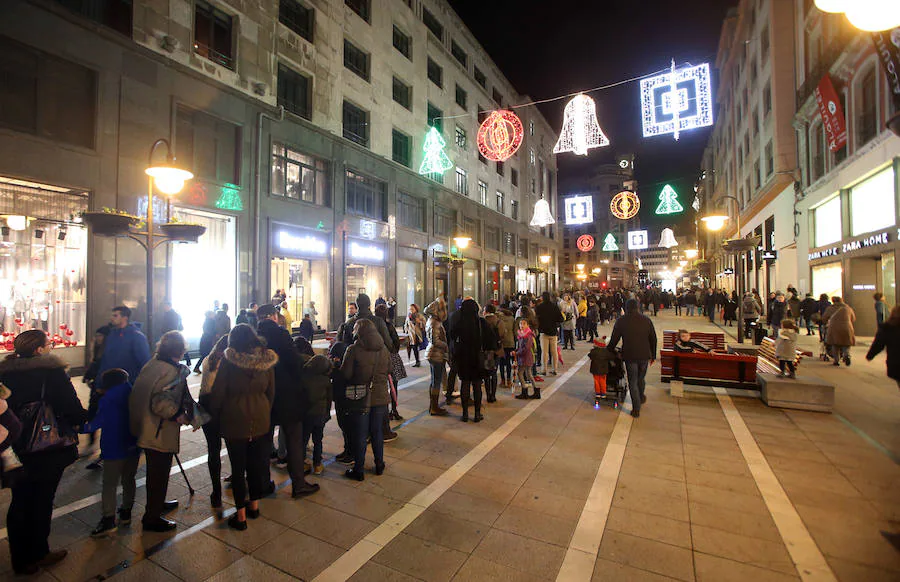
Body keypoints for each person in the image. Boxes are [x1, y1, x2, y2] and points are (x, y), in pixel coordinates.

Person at [1, 330, 86, 575]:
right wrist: (85, 419)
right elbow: (71, 407)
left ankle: (20, 559)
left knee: (20, 502)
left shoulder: (5, 374)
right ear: (39, 349)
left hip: (15, 450)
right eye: (48, 344)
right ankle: (39, 552)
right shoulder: (51, 373)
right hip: (46, 448)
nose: (50, 348)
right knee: (41, 501)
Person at [208, 324, 277, 531]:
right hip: (260, 419)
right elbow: (271, 393)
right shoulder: (267, 361)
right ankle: (254, 506)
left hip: (234, 420)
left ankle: (241, 516)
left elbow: (218, 393)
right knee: (255, 465)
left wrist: (215, 414)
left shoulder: (229, 362)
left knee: (238, 470)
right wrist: (263, 410)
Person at [129, 331, 191, 532]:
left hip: (144, 425)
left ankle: (157, 504)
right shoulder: (171, 372)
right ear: (180, 351)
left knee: (155, 472)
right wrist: (178, 415)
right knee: (159, 473)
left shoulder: (153, 363)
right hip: (158, 429)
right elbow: (161, 403)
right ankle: (152, 516)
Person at [256, 303, 319, 498]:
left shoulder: (254, 337)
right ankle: (298, 484)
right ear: (273, 316)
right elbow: (293, 362)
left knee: (264, 442)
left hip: (264, 396)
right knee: (293, 440)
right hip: (287, 395)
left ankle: (263, 484)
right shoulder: (281, 335)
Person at [83, 368, 140, 537]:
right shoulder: (134, 393)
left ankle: (108, 519)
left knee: (109, 484)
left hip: (113, 447)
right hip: (133, 445)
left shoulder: (108, 399)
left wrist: (81, 428)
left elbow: (97, 422)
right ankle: (126, 513)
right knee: (129, 479)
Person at [340, 318, 391, 481]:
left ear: (359, 331)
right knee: (377, 432)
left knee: (360, 434)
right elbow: (389, 369)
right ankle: (379, 464)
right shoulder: (384, 349)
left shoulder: (353, 349)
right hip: (381, 396)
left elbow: (346, 375)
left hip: (360, 396)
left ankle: (359, 470)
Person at [607, 299, 656, 418]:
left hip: (630, 355)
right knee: (641, 378)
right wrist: (653, 355)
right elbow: (653, 339)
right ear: (638, 307)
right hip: (644, 355)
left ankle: (636, 408)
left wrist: (609, 349)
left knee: (633, 381)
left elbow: (614, 339)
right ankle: (641, 396)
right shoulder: (646, 320)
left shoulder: (621, 321)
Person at [199, 335, 228, 508]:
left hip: (205, 408)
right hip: (221, 407)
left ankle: (216, 491)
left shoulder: (206, 361)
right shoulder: (226, 363)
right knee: (232, 446)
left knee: (213, 449)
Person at [98, 306, 151, 392]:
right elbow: (105, 360)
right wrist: (99, 382)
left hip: (128, 384)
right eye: (112, 315)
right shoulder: (111, 335)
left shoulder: (137, 336)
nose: (111, 318)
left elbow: (144, 361)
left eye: (115, 316)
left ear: (125, 318)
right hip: (110, 384)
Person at [301, 353, 333, 475]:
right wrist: (327, 413)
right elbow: (329, 399)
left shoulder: (304, 378)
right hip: (320, 415)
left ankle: (302, 463)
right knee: (318, 440)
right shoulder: (326, 381)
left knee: (303, 440)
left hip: (306, 415)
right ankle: (318, 465)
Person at [423, 299, 449, 416]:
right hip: (436, 354)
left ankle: (433, 406)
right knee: (436, 381)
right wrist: (446, 346)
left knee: (435, 380)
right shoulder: (434, 322)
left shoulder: (432, 320)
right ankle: (434, 407)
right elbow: (435, 341)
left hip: (434, 353)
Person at [866, 305, 900, 389]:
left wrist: (870, 355)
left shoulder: (888, 327)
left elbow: (879, 343)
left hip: (896, 363)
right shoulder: (887, 327)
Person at [535, 291, 563, 376]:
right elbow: (560, 319)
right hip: (553, 332)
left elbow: (536, 319)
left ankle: (544, 370)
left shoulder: (539, 307)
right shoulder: (554, 307)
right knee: (554, 352)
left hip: (543, 332)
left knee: (544, 352)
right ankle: (555, 369)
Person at [482, 304, 505, 403]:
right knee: (494, 372)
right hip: (497, 349)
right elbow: (503, 335)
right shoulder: (499, 321)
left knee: (486, 373)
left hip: (486, 350)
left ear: (486, 311)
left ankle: (488, 395)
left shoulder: (482, 321)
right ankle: (493, 396)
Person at [824, 296, 856, 366]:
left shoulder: (830, 308)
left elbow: (824, 318)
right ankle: (846, 355)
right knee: (846, 344)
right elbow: (853, 319)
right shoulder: (848, 308)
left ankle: (836, 361)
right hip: (847, 327)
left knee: (835, 344)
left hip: (834, 328)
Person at [159, 301, 189, 367]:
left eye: (165, 306)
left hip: (172, 334)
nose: (164, 308)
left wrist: (171, 333)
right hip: (170, 333)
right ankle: (188, 361)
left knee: (177, 347)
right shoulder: (168, 313)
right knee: (179, 346)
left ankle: (184, 361)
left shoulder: (173, 314)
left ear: (169, 306)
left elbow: (174, 325)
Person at [514, 319, 536, 399]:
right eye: (520, 324)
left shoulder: (528, 335)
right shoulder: (521, 334)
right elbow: (520, 347)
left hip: (526, 357)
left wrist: (517, 353)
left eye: (524, 324)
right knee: (527, 374)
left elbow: (526, 348)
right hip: (523, 357)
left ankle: (526, 390)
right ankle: (533, 391)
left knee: (522, 374)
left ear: (528, 325)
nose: (522, 325)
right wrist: (516, 351)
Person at [497, 307, 517, 390]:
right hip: (511, 343)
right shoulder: (512, 318)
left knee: (501, 362)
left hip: (501, 343)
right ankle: (509, 380)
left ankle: (502, 381)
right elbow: (515, 331)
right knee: (508, 362)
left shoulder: (499, 318)